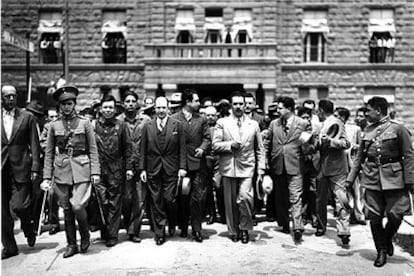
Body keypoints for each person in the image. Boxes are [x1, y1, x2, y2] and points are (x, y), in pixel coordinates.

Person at [346, 97, 414, 267]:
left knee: (396, 215)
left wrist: (410, 180)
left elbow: (409, 156)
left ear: (378, 110)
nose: (365, 113)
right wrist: (350, 179)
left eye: (368, 110)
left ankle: (387, 238)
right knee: (375, 218)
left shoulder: (398, 129)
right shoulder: (367, 131)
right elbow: (359, 158)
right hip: (371, 178)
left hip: (394, 179)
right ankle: (381, 251)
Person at [41, 86, 100, 258]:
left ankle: (85, 233)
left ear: (74, 104)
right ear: (59, 106)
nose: (67, 107)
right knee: (66, 209)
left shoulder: (84, 123)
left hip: (82, 169)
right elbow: (49, 153)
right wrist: (46, 177)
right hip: (62, 171)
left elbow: (93, 149)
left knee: (78, 205)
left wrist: (95, 172)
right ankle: (71, 244)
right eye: (63, 104)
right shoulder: (53, 125)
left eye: (69, 103)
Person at [212, 91, 266, 244]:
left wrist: (261, 169)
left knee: (245, 198)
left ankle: (244, 228)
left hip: (247, 167)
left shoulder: (253, 124)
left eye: (240, 104)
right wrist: (229, 145)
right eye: (235, 104)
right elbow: (215, 145)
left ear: (245, 105)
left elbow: (260, 148)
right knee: (230, 202)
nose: (238, 107)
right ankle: (234, 231)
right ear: (231, 105)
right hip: (229, 167)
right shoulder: (222, 122)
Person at [139, 96, 187, 245]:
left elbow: (182, 148)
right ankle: (160, 232)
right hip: (153, 168)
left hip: (171, 168)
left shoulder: (177, 125)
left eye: (163, 108)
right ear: (154, 108)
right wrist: (142, 169)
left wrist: (182, 167)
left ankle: (172, 222)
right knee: (156, 201)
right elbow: (143, 149)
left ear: (168, 109)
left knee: (169, 199)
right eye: (158, 108)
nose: (160, 111)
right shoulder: (148, 126)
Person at [1, 85, 41, 259]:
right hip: (2, 167)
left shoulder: (27, 117)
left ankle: (28, 227)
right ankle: (10, 247)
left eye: (13, 96)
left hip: (21, 167)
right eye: (7, 96)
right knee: (2, 212)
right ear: (1, 98)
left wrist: (35, 167)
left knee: (20, 206)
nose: (11, 99)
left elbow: (35, 144)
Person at [265, 97, 311, 242]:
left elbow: (312, 147)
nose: (277, 111)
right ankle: (284, 223)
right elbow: (268, 143)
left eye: (280, 108)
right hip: (277, 165)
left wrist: (306, 144)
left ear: (289, 109)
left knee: (295, 197)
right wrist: (266, 161)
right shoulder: (274, 124)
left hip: (295, 165)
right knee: (281, 197)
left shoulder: (303, 124)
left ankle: (298, 227)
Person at [171, 89, 211, 242]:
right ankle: (182, 226)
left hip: (197, 164)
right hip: (179, 164)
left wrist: (202, 148)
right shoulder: (174, 119)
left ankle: (196, 229)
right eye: (196, 100)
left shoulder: (201, 120)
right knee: (181, 197)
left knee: (197, 197)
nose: (198, 103)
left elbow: (207, 138)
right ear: (188, 102)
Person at [94, 95, 134, 247]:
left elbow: (128, 148)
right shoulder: (93, 125)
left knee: (114, 203)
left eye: (111, 107)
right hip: (99, 168)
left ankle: (112, 235)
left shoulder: (121, 125)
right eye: (105, 107)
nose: (108, 110)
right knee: (102, 201)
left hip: (117, 169)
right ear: (100, 109)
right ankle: (104, 230)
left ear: (115, 109)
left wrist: (129, 168)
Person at [315, 99, 351, 247]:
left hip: (336, 168)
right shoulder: (318, 125)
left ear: (322, 110)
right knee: (320, 200)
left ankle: (344, 231)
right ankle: (320, 226)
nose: (316, 113)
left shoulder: (337, 123)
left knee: (340, 199)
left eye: (318, 110)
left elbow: (346, 143)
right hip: (321, 167)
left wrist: (330, 141)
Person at [118, 91, 151, 243]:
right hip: (123, 167)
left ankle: (134, 230)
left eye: (133, 101)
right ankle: (127, 224)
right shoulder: (118, 121)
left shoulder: (145, 120)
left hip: (142, 165)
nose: (130, 104)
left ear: (137, 103)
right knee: (126, 198)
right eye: (127, 101)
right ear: (123, 103)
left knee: (140, 199)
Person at [334, 107, 366, 225]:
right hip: (338, 164)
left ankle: (359, 215)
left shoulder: (354, 128)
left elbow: (360, 146)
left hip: (351, 162)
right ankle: (347, 214)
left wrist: (354, 147)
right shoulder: (334, 128)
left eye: (337, 116)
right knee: (343, 191)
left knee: (357, 190)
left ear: (342, 117)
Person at [40, 108, 61, 235]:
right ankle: (54, 222)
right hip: (53, 165)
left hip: (68, 164)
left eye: (55, 116)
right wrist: (52, 147)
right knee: (52, 195)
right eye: (51, 117)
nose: (53, 119)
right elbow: (42, 143)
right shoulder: (47, 128)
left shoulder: (63, 124)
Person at [204, 106, 226, 225]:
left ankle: (223, 214)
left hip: (218, 158)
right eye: (208, 115)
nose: (210, 117)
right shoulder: (202, 127)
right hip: (207, 158)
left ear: (216, 116)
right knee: (207, 187)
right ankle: (211, 214)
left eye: (212, 115)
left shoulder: (221, 126)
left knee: (218, 186)